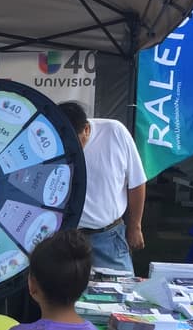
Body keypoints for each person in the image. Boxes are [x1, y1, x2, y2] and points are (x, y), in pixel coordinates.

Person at [58, 101, 146, 275]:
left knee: (122, 295)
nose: (69, 148)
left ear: (86, 129)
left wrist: (135, 226)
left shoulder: (114, 132)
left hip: (108, 237)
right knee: (65, 297)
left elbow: (137, 182)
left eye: (74, 141)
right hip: (64, 239)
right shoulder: (50, 141)